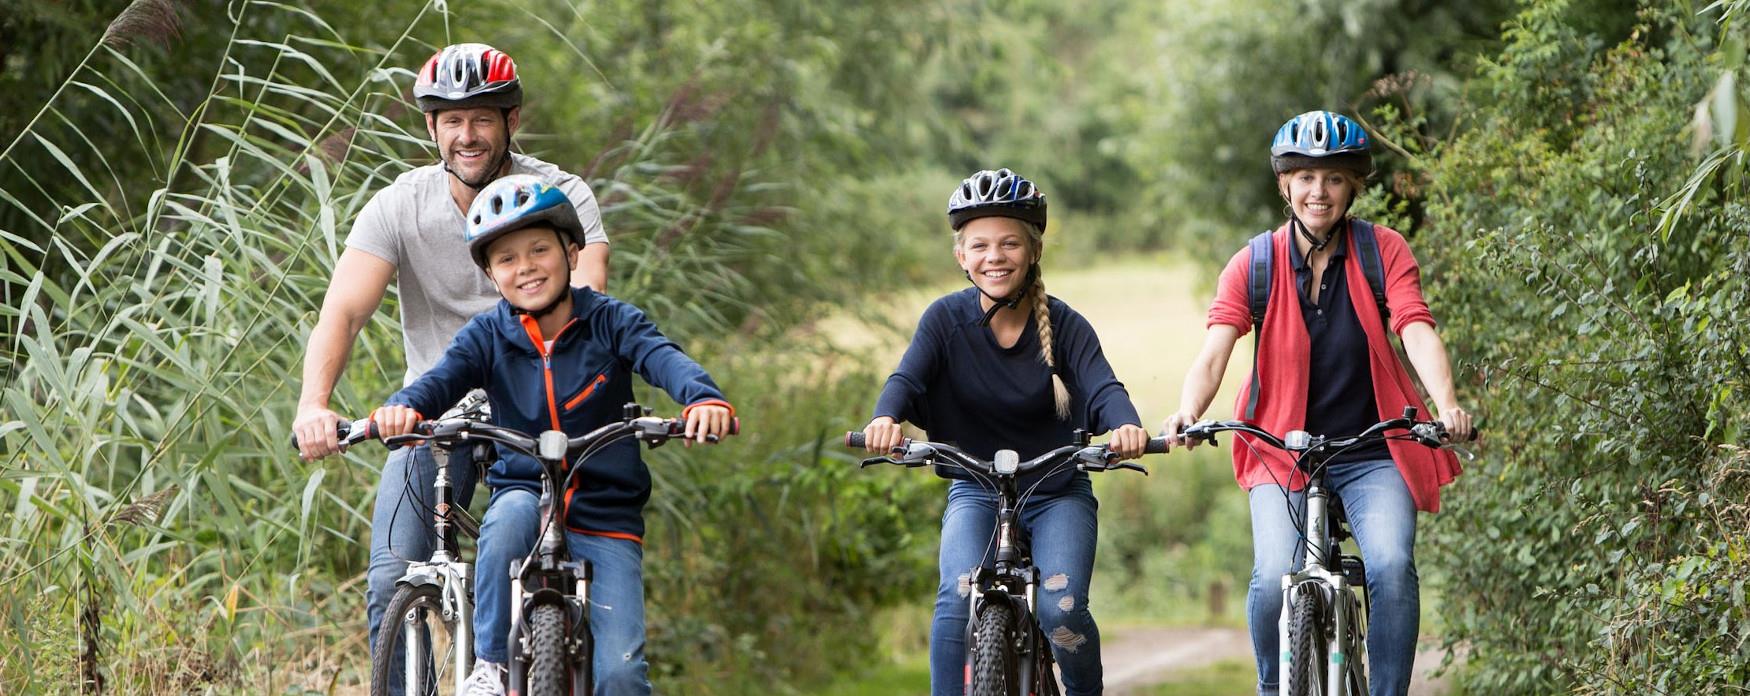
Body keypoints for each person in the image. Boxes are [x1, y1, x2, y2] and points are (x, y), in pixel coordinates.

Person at [287, 42, 610, 688]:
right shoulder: (400, 206)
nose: (468, 135)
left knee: (545, 566)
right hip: (438, 412)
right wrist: (313, 403)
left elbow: (590, 306)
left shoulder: (562, 196)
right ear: (432, 127)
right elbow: (343, 312)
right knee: (393, 575)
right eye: (452, 120)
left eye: (483, 118)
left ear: (511, 122)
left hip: (540, 408)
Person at [374, 174, 734, 695]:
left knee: (621, 674)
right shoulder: (487, 335)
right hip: (523, 487)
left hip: (605, 513)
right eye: (507, 259)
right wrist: (403, 408)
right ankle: (491, 667)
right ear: (491, 276)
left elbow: (663, 358)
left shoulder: (611, 321)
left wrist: (703, 398)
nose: (526, 268)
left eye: (539, 249)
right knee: (507, 519)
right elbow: (442, 379)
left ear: (571, 251)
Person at [1159, 110, 1473, 696]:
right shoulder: (1254, 263)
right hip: (1281, 451)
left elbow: (1415, 326)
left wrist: (1446, 404)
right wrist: (1188, 411)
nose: (1318, 191)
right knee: (1275, 576)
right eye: (1304, 177)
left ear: (1353, 185)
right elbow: (1215, 350)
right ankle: (1273, 689)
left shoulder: (1383, 251)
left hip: (1375, 446)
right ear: (1284, 185)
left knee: (1388, 567)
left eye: (1332, 178)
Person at [859, 168, 1148, 696]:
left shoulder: (1066, 326)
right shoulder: (944, 321)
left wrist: (1125, 424)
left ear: (1034, 250)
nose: (996, 255)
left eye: (1010, 242)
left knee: (1062, 608)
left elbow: (1102, 386)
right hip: (976, 488)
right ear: (961, 257)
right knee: (955, 597)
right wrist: (885, 417)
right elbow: (907, 376)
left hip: (1057, 491)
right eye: (981, 245)